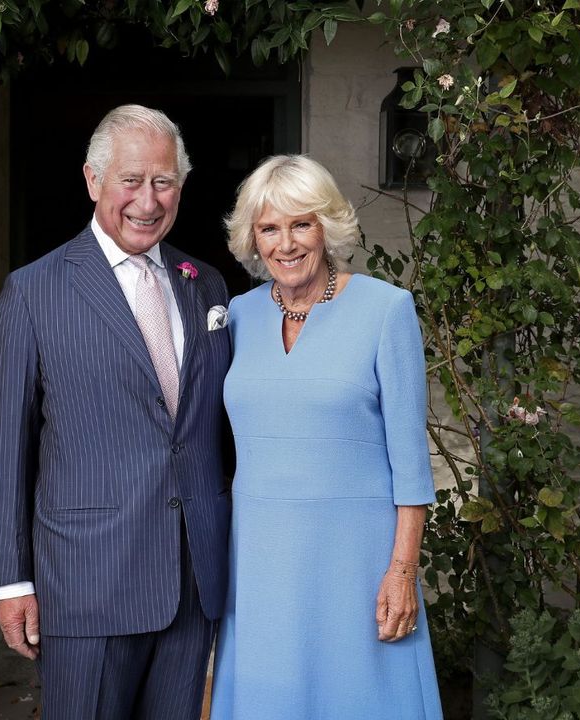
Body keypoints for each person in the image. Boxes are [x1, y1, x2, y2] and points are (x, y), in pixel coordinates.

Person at [0, 104, 233, 720]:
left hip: (193, 579)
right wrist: (12, 581)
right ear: (93, 181)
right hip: (88, 582)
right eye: (131, 180)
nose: (148, 200)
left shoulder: (205, 284)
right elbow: (6, 449)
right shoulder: (34, 291)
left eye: (164, 181)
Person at [209, 154, 442, 719]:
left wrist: (402, 571)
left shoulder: (386, 310)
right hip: (258, 560)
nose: (286, 244)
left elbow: (411, 464)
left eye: (301, 224)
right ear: (252, 238)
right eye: (269, 228)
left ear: (327, 227)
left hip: (355, 562)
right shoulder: (237, 316)